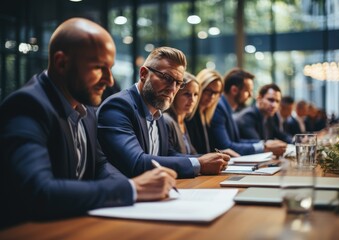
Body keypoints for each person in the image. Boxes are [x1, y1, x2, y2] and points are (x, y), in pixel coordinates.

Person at [0, 18, 177, 227]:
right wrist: (133, 189)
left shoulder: (88, 110)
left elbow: (100, 166)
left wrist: (138, 189)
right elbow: (39, 192)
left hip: (77, 224)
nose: (109, 80)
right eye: (98, 67)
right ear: (61, 63)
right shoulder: (27, 106)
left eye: (109, 68)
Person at [97, 46, 229, 179]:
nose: (172, 89)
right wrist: (199, 163)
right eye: (166, 78)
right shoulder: (119, 106)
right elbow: (136, 163)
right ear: (143, 74)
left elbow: (168, 155)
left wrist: (209, 159)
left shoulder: (158, 111)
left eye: (178, 83)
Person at [209, 68, 283, 156]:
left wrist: (264, 143)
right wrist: (263, 147)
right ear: (234, 90)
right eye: (247, 91)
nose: (251, 95)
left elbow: (236, 141)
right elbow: (225, 146)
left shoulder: (228, 108)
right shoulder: (219, 108)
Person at [185, 68, 239, 157]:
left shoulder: (206, 114)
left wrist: (220, 152)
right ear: (200, 88)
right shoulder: (189, 115)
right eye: (208, 91)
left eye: (216, 93)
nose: (212, 96)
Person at [234, 83, 290, 155]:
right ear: (259, 98)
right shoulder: (248, 116)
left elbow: (281, 135)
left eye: (277, 101)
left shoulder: (270, 116)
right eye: (271, 100)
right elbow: (259, 144)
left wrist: (297, 140)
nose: (274, 105)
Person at [163, 72, 199, 155]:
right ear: (175, 94)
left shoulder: (182, 121)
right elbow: (171, 156)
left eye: (195, 94)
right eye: (187, 94)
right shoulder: (167, 120)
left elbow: (192, 154)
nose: (192, 100)